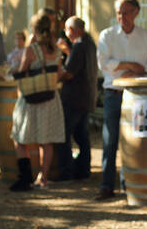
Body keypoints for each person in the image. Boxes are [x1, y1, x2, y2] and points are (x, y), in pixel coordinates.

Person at [95, 0, 147, 200]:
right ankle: (106, 185)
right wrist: (132, 66)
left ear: (136, 12)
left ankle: (130, 183)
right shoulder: (107, 35)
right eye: (119, 12)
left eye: (126, 12)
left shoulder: (146, 37)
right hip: (113, 94)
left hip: (138, 96)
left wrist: (131, 70)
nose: (122, 16)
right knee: (110, 140)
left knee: (135, 141)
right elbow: (104, 63)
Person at [9, 13, 65, 191]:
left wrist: (15, 68)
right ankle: (43, 177)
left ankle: (24, 177)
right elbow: (58, 74)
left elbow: (22, 71)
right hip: (50, 97)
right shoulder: (56, 49)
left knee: (21, 139)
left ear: (33, 29)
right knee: (46, 141)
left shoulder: (31, 49)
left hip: (32, 98)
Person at [56, 16, 98, 181]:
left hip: (74, 98)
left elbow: (69, 73)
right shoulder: (89, 43)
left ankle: (66, 172)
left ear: (73, 30)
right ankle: (83, 170)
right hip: (86, 97)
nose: (66, 33)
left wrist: (58, 74)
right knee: (82, 136)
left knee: (64, 135)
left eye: (67, 29)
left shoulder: (80, 46)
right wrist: (68, 51)